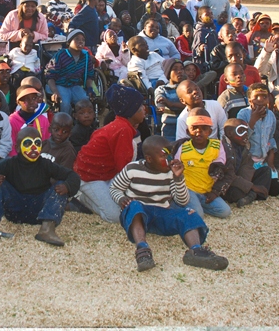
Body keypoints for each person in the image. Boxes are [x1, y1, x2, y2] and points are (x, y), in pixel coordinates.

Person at [110, 135, 228, 272]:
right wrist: (121, 198)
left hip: (162, 213)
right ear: (149, 159)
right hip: (139, 214)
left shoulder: (171, 173)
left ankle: (196, 251)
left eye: (170, 155)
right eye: (164, 156)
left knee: (188, 213)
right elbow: (114, 188)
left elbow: (182, 201)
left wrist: (178, 179)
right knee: (134, 205)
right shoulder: (132, 169)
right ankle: (142, 249)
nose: (170, 159)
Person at [0, 126, 80, 246]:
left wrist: (67, 186)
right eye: (27, 143)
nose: (33, 148)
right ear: (17, 147)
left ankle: (47, 229)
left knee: (60, 186)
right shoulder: (9, 163)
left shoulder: (46, 164)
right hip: (15, 210)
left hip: (40, 212)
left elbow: (73, 176)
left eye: (37, 143)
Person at [74, 84, 147, 223]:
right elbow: (124, 168)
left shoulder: (122, 125)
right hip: (89, 177)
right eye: (140, 108)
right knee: (116, 216)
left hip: (106, 173)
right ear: (131, 112)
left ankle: (93, 196)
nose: (144, 109)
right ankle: (81, 198)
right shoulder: (123, 129)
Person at [172, 109, 231, 218]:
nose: (199, 132)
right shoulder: (181, 147)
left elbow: (227, 169)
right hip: (188, 190)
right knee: (198, 215)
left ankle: (195, 205)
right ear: (187, 131)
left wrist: (215, 192)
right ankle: (190, 205)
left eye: (204, 128)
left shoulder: (218, 146)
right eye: (194, 128)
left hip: (207, 191)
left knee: (225, 211)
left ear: (210, 131)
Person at [218, 119, 273, 208]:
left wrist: (248, 185)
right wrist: (251, 186)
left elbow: (247, 168)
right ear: (229, 133)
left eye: (246, 131)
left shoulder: (243, 148)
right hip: (228, 183)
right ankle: (252, 194)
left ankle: (250, 195)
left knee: (266, 171)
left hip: (241, 180)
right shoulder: (223, 150)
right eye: (241, 131)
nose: (246, 134)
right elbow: (228, 175)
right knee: (236, 193)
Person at [237, 83, 279, 196]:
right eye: (256, 97)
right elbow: (241, 138)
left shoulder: (271, 115)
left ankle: (255, 190)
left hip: (263, 161)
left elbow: (271, 138)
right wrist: (253, 120)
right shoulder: (243, 114)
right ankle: (252, 192)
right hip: (248, 161)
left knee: (274, 191)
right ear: (249, 100)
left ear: (268, 99)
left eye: (264, 97)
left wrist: (270, 159)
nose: (260, 100)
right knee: (245, 188)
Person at [46, 30, 95, 115]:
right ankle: (65, 121)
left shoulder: (86, 56)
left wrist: (90, 88)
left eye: (83, 40)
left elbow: (89, 75)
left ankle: (81, 121)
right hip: (60, 84)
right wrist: (55, 92)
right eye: (77, 39)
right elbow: (50, 75)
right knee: (65, 104)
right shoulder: (61, 55)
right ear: (69, 42)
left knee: (85, 102)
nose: (81, 41)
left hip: (75, 85)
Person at [155, 58, 186, 141]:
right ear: (168, 73)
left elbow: (190, 105)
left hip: (186, 127)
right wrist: (161, 104)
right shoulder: (162, 89)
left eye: (181, 69)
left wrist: (171, 104)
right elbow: (159, 98)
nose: (179, 71)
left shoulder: (188, 88)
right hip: (169, 128)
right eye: (175, 69)